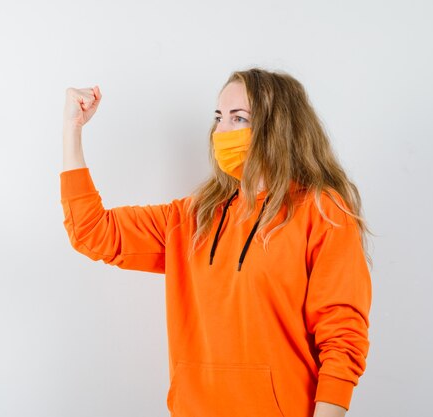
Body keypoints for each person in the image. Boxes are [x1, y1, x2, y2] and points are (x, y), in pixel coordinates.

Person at [60, 67, 372, 417]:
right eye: (219, 117)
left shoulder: (323, 212)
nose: (221, 131)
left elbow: (342, 336)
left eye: (238, 118)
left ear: (279, 127)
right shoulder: (192, 216)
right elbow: (92, 230)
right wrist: (73, 131)